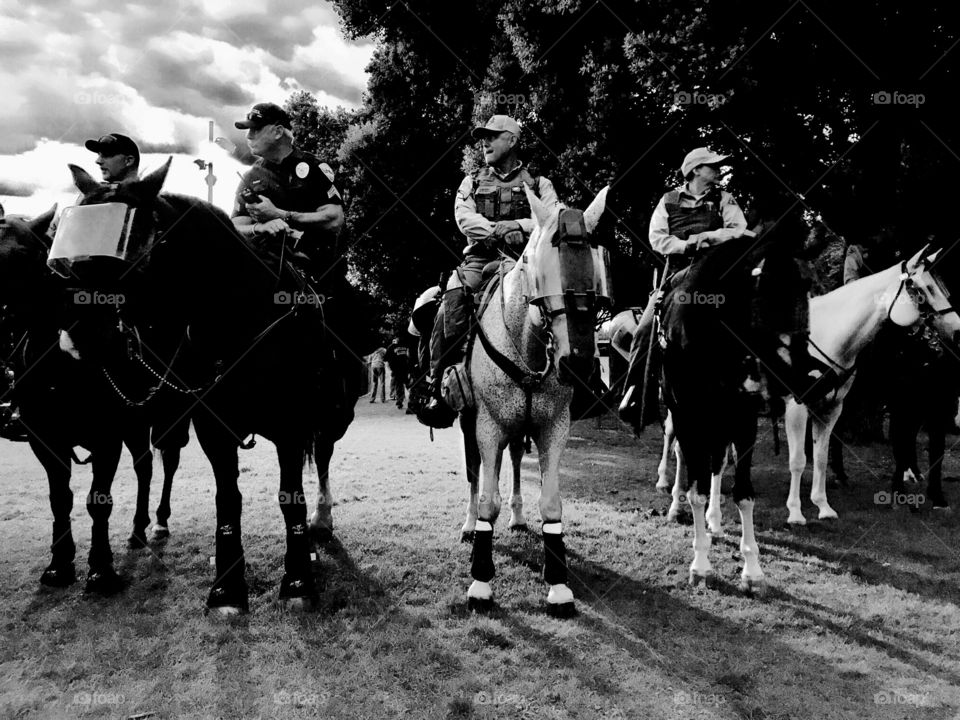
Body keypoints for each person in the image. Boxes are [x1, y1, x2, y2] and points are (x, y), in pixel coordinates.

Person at [231, 102, 364, 438]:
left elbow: (334, 219)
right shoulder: (250, 177)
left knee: (349, 325)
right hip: (265, 274)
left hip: (319, 275)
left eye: (255, 128)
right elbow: (235, 227)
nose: (249, 136)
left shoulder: (313, 168)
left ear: (278, 130)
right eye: (247, 130)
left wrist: (282, 215)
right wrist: (261, 229)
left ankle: (342, 392)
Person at [418, 115, 559, 427]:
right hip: (479, 262)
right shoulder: (471, 181)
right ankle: (437, 384)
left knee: (567, 301)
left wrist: (519, 225)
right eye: (483, 137)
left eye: (493, 136)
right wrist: (498, 229)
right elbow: (463, 218)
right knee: (448, 302)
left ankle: (579, 380)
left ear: (512, 140)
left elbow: (553, 218)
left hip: (527, 263)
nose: (485, 142)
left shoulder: (540, 183)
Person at [618, 147, 747, 427]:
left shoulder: (725, 198)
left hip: (717, 272)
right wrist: (691, 243)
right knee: (643, 331)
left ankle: (763, 382)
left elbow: (739, 230)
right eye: (713, 166)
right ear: (696, 170)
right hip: (677, 273)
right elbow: (658, 239)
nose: (718, 169)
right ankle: (637, 394)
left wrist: (709, 238)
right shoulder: (668, 201)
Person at [49, 133, 142, 237]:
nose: (98, 161)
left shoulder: (149, 201)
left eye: (107, 155)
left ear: (128, 160)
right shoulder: (88, 197)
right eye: (99, 155)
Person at [384, 336, 411, 410]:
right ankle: (411, 400)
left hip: (397, 370)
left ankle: (400, 401)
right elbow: (409, 357)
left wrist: (391, 366)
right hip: (405, 369)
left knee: (399, 386)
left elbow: (386, 358)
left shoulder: (391, 347)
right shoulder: (406, 346)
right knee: (408, 385)